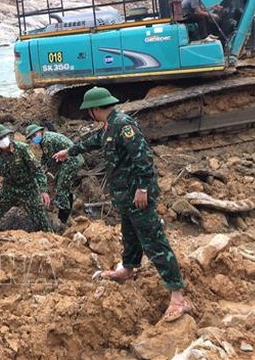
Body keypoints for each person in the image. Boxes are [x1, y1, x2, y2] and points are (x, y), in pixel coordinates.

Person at [53, 87, 191, 323]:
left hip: (138, 194)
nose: (89, 114)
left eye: (90, 111)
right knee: (129, 233)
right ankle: (128, 269)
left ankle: (178, 297)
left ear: (96, 109)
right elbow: (94, 141)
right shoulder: (109, 126)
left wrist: (143, 188)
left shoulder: (124, 126)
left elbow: (144, 158)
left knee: (153, 240)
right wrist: (70, 151)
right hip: (125, 195)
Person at [0, 124, 53, 236]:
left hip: (28, 189)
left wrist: (43, 190)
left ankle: (53, 240)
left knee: (41, 218)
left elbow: (37, 170)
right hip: (8, 189)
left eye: (3, 137)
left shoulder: (22, 149)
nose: (3, 140)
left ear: (8, 136)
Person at [25, 124, 83, 228]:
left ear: (40, 131)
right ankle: (68, 205)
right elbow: (45, 158)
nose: (34, 138)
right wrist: (40, 168)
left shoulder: (47, 141)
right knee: (61, 184)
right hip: (70, 160)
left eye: (35, 135)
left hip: (72, 161)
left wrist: (42, 173)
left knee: (61, 188)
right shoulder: (46, 139)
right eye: (31, 137)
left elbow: (51, 160)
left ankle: (63, 219)